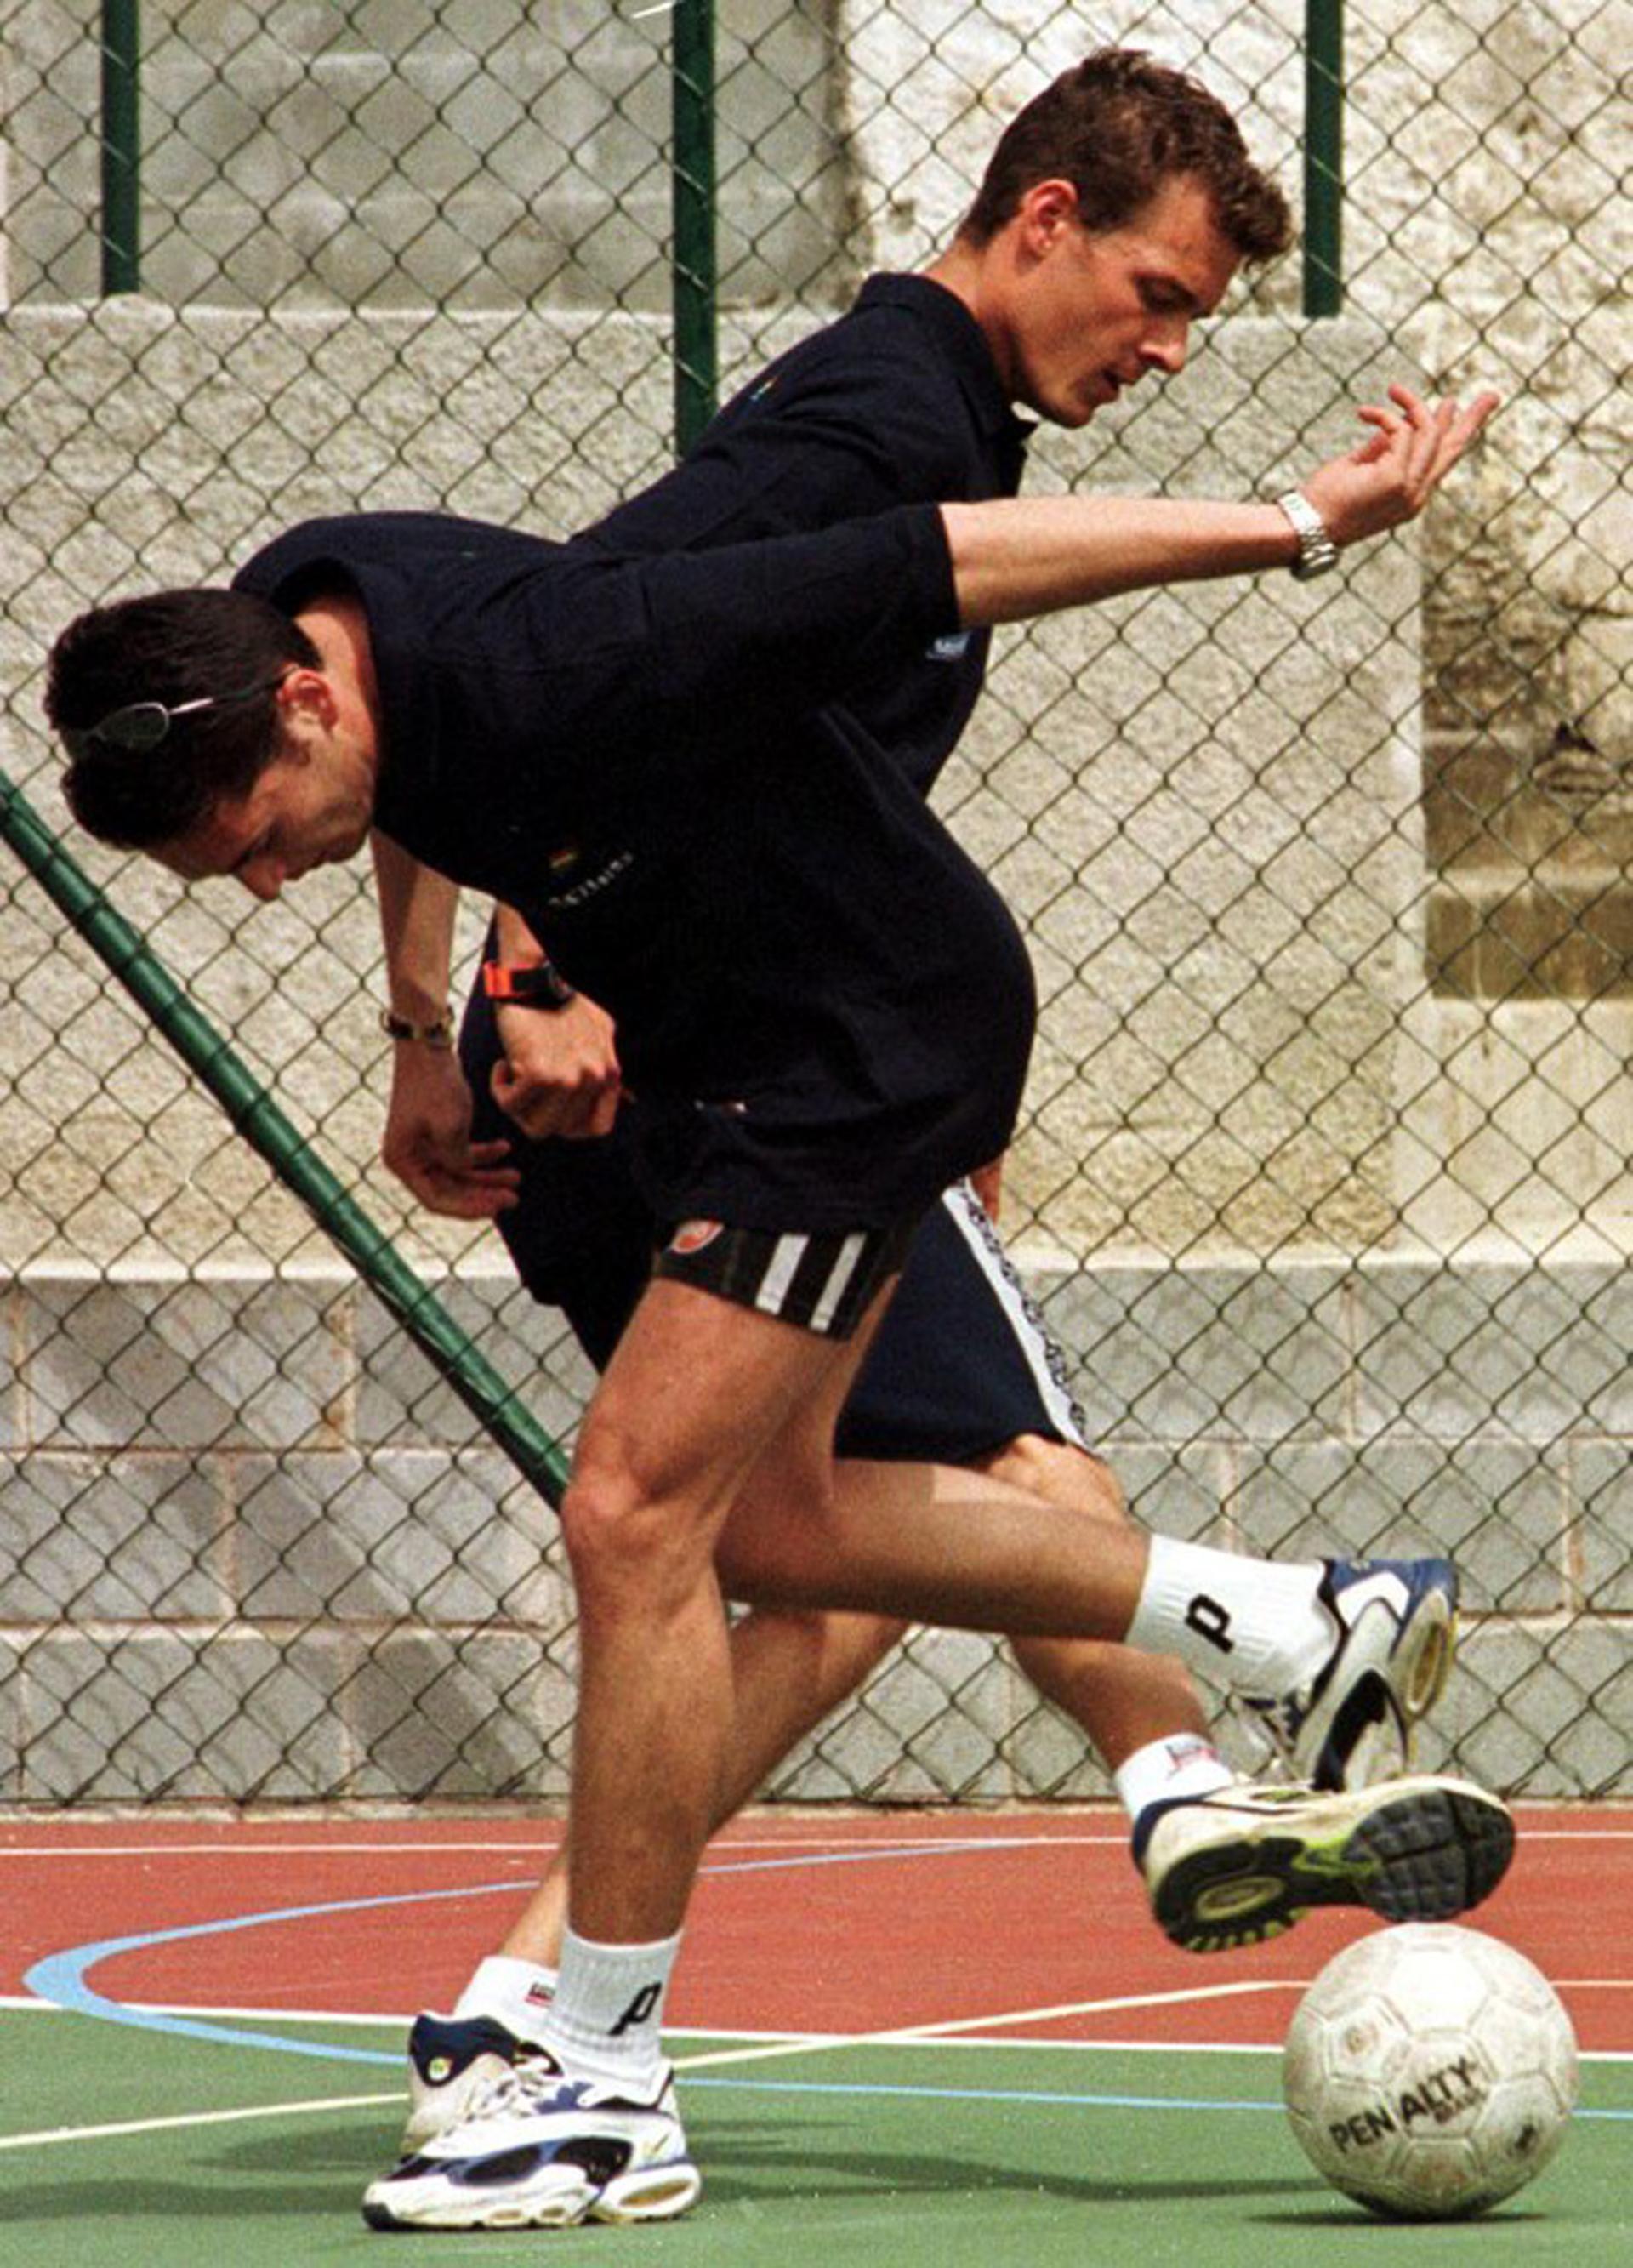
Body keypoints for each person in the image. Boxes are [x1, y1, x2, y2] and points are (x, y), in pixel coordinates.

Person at [44, 67, 1505, 2236]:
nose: (257, 878)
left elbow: (947, 564)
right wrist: (429, 1006)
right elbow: (456, 758)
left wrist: (1298, 526)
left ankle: (604, 2074)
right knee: (793, 1530)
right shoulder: (306, 607)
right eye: (1159, 296)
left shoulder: (745, 527)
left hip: (854, 1041)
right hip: (782, 1025)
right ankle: (1281, 1627)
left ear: (310, 716)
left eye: (260, 841)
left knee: (641, 1503)